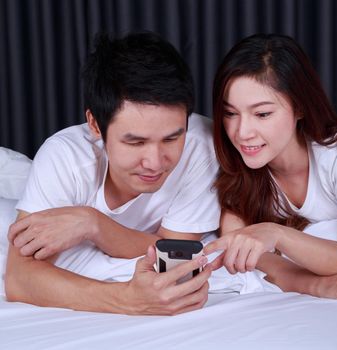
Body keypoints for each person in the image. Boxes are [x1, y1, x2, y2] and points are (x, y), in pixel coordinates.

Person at [5, 32, 220, 315]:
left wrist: (93, 224)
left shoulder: (201, 146)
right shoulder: (65, 157)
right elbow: (20, 279)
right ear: (95, 124)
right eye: (136, 142)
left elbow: (176, 251)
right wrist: (127, 299)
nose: (155, 162)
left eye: (171, 139)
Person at [204, 33, 337, 303]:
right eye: (230, 113)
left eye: (262, 114)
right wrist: (317, 285)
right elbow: (249, 257)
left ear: (299, 107)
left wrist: (276, 234)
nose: (242, 133)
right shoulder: (236, 169)